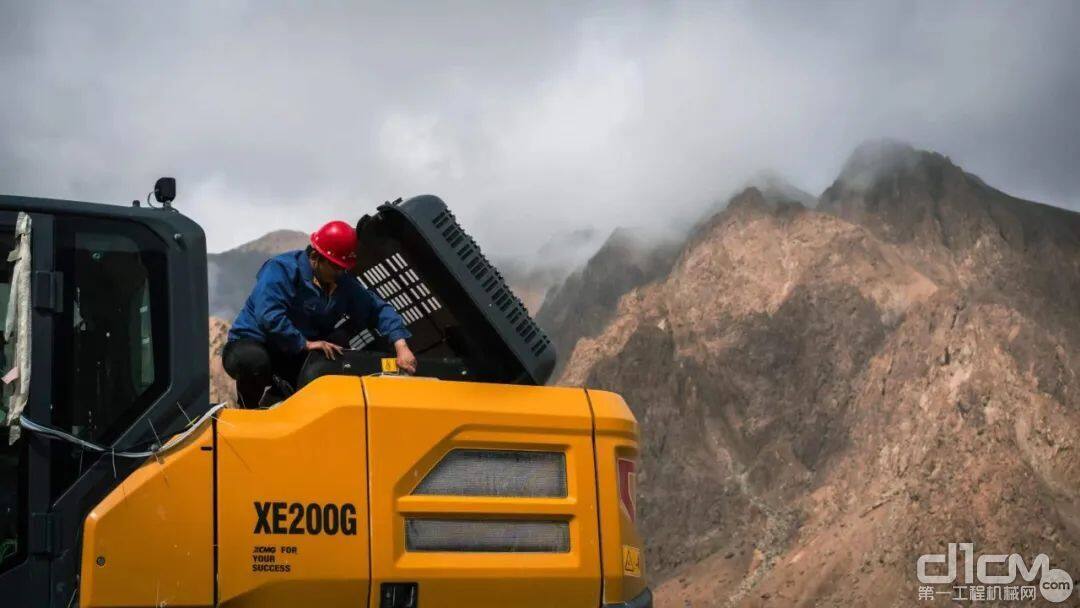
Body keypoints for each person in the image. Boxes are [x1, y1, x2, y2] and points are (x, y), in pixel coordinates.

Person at [222, 220, 417, 407]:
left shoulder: (343, 283)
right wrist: (305, 343)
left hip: (294, 353)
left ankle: (276, 405)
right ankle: (248, 411)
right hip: (255, 343)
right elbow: (269, 316)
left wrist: (401, 345)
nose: (339, 272)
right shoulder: (282, 269)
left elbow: (377, 308)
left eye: (343, 268)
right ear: (315, 257)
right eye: (335, 266)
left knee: (330, 360)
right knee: (253, 362)